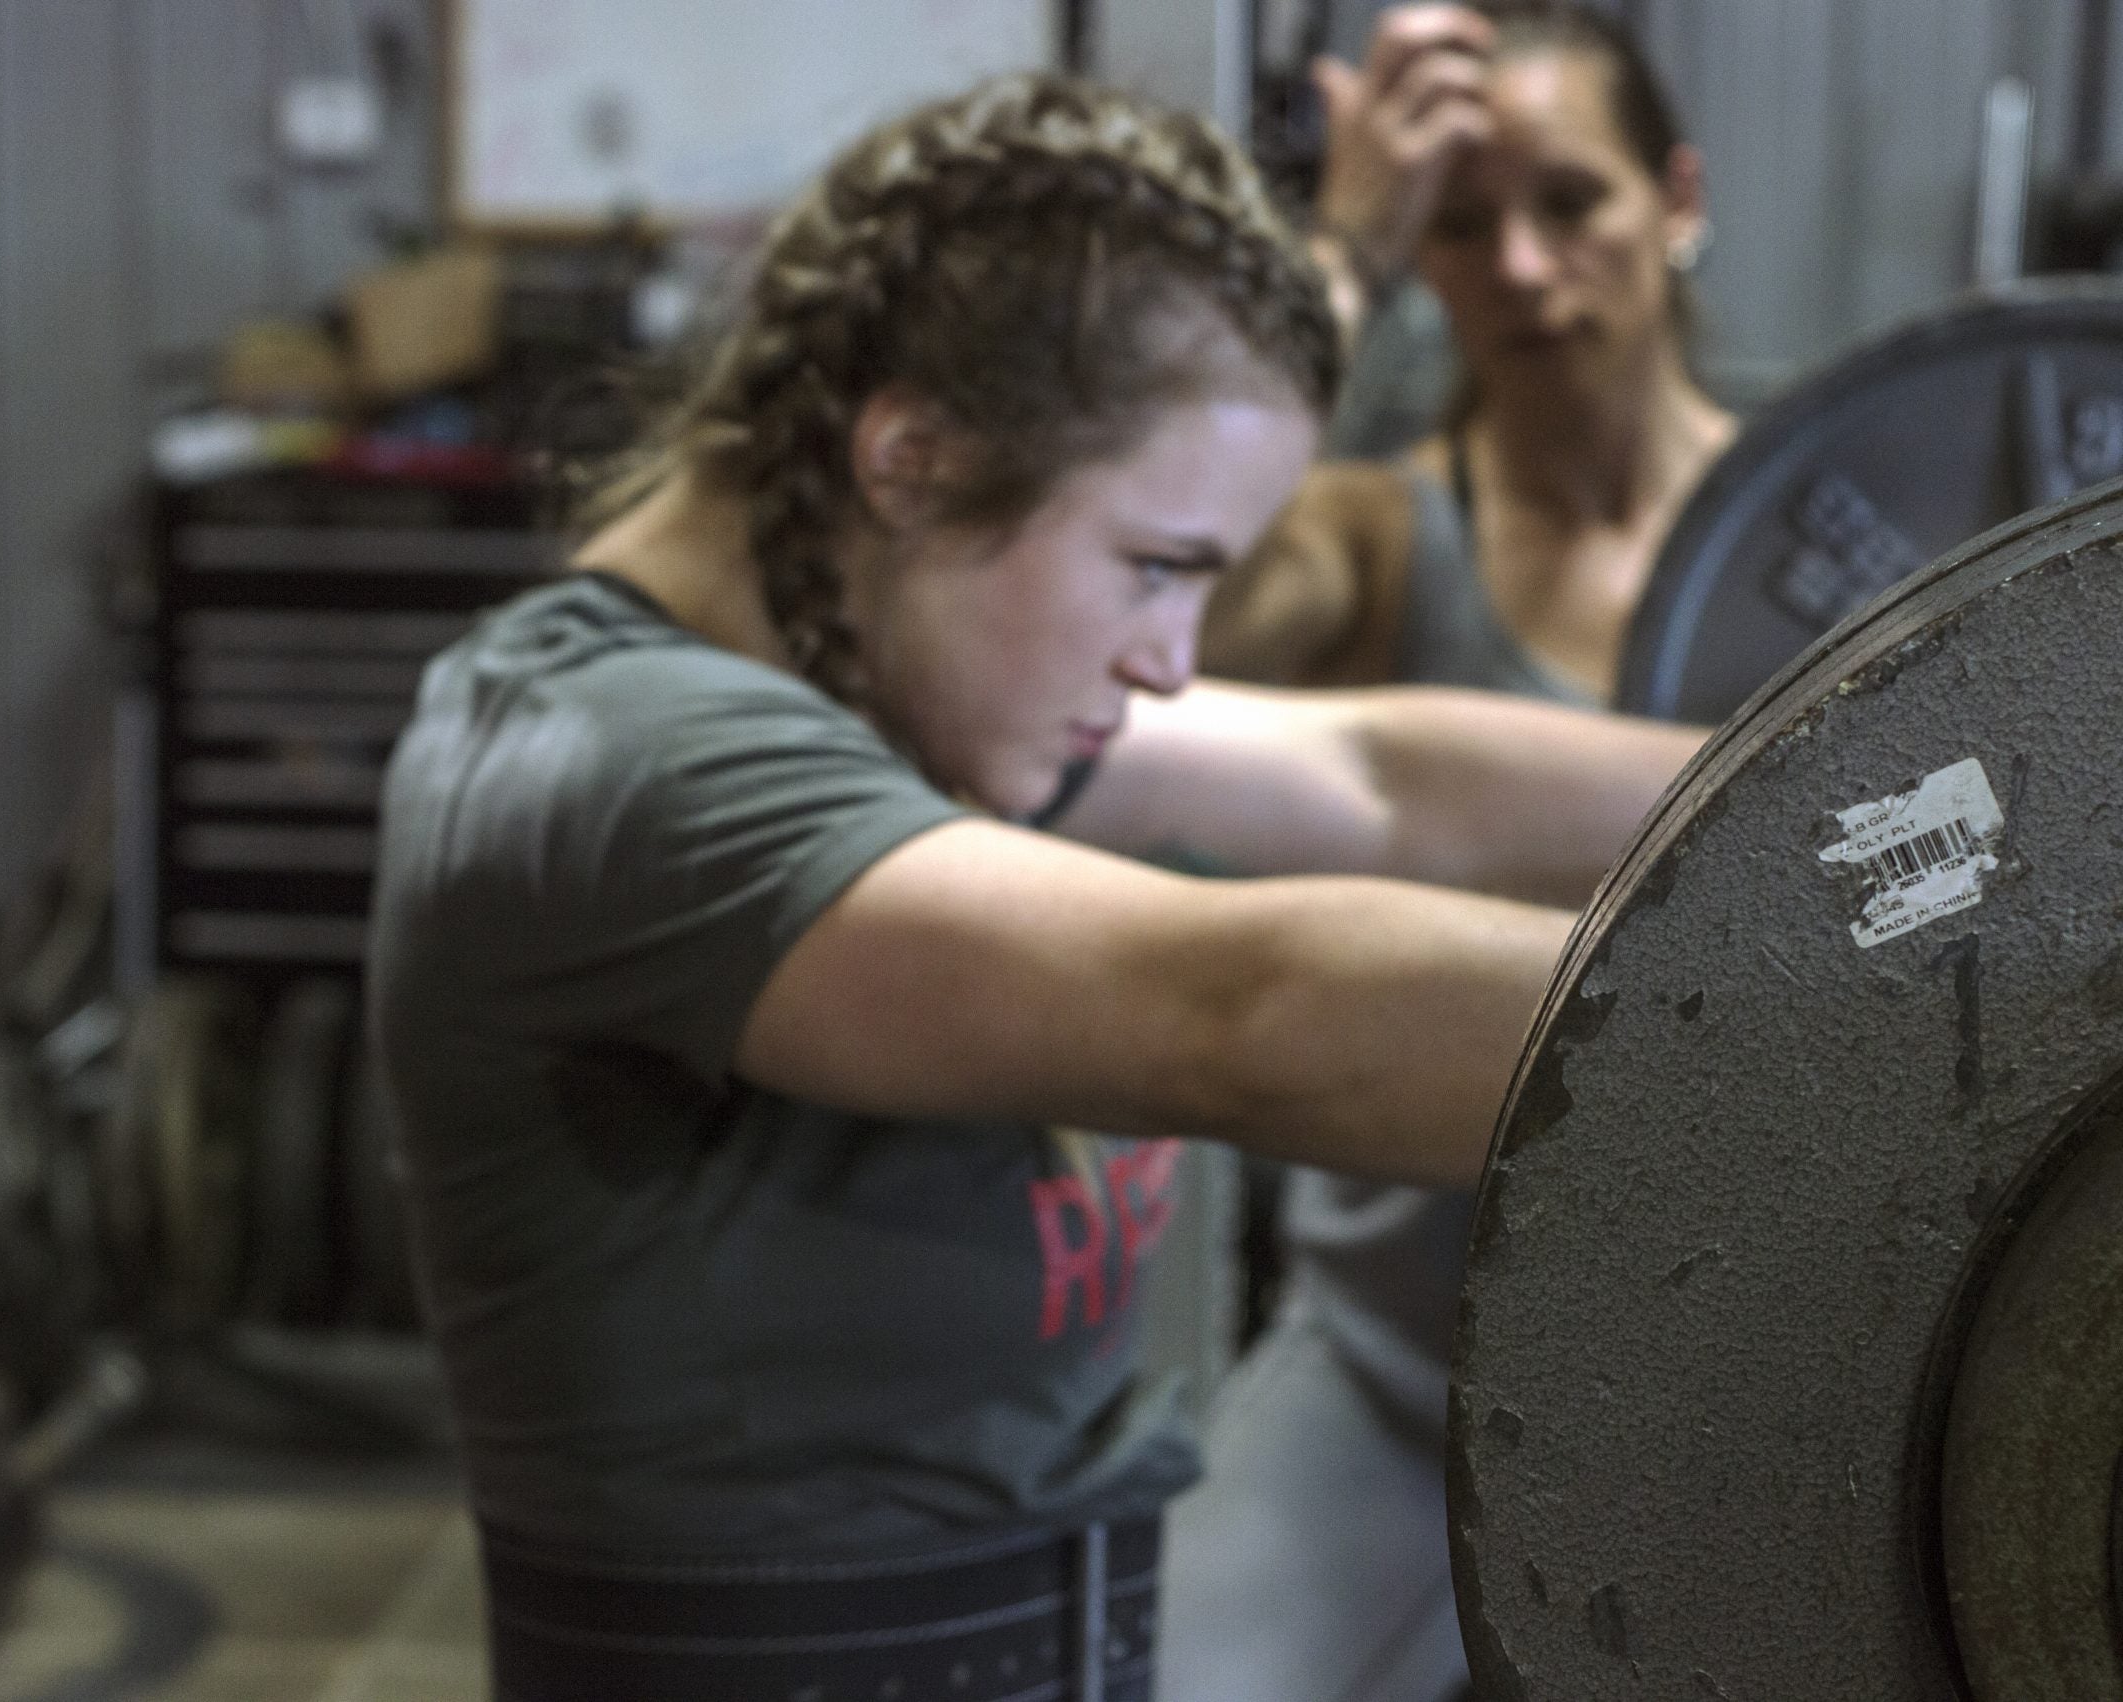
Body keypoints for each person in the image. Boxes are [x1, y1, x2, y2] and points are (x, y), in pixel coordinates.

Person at [368, 70, 1700, 1702]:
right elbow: (1232, 1012)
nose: (1166, 663)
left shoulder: (896, 673)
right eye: (1155, 567)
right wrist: (1865, 1038)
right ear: (912, 462)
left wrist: (1897, 802)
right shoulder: (618, 763)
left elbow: (1377, 778)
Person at [1161, 8, 1737, 1700]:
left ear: (1678, 197)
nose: (1527, 266)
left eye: (1574, 201)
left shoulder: (1842, 526)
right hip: (1405, 1359)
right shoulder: (1365, 531)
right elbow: (1163, 597)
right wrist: (1334, 247)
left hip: (1764, 1383)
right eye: (1464, 226)